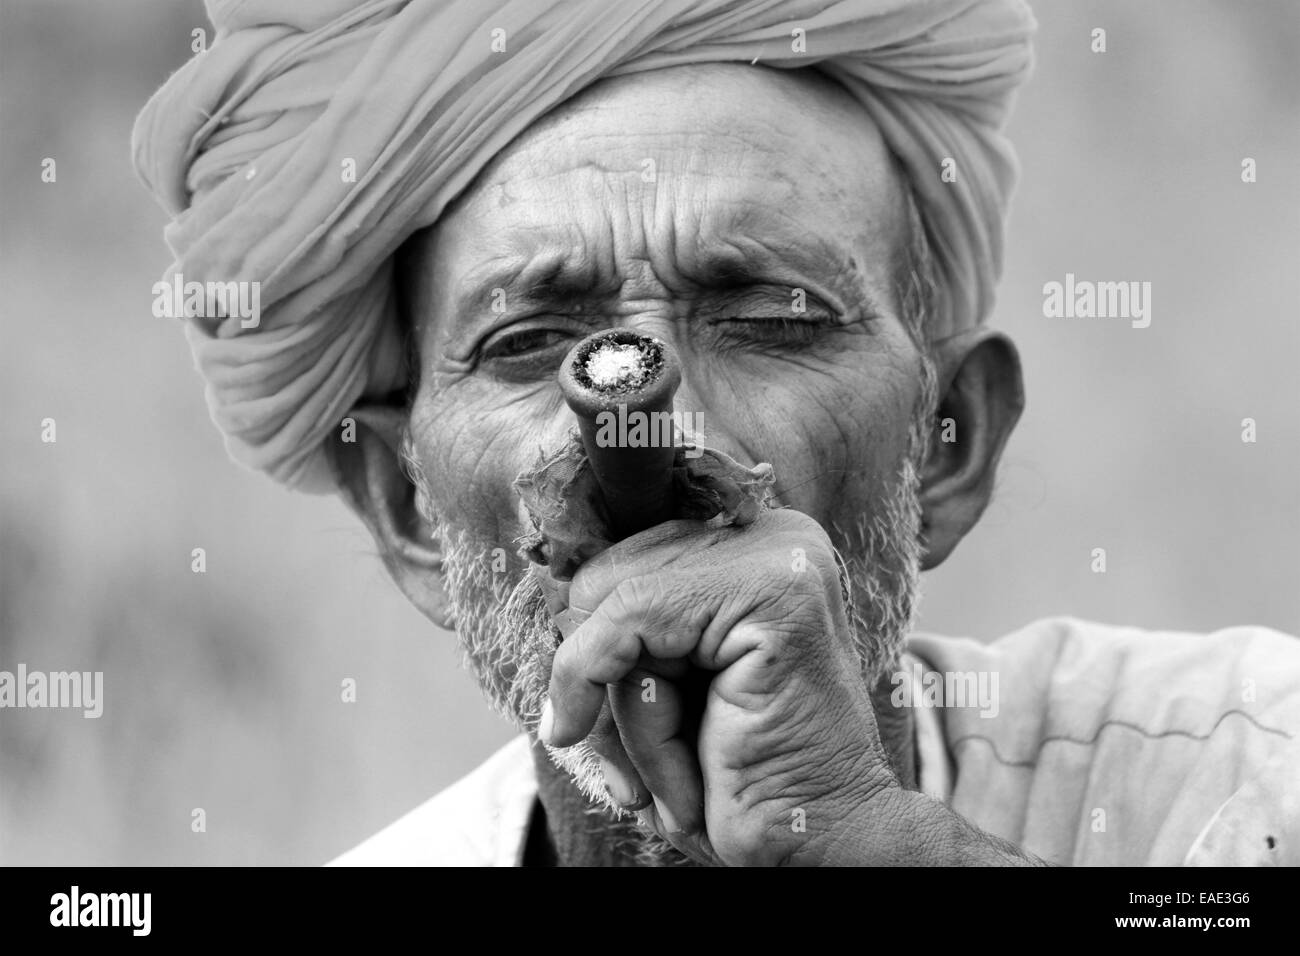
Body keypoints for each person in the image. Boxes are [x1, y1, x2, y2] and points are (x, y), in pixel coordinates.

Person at [133, 0, 1300, 866]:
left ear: (946, 442)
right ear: (408, 509)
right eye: (529, 340)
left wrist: (862, 839)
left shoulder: (1239, 776)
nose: (640, 423)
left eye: (770, 316)